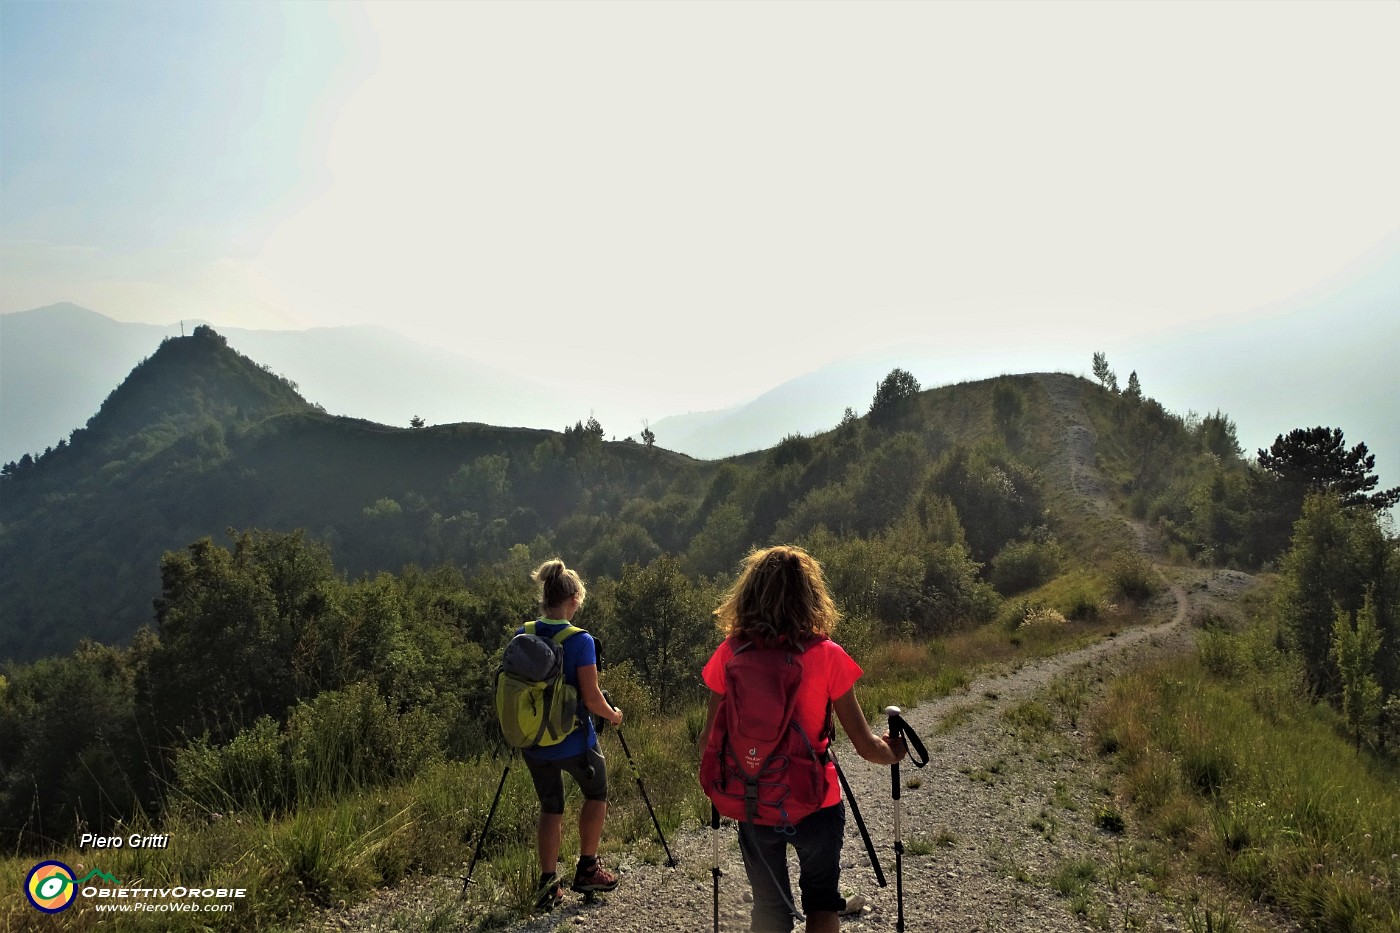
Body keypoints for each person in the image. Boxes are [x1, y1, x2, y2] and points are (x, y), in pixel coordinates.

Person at [699, 545, 907, 933]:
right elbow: (864, 746)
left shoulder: (728, 653)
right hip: (816, 802)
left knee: (769, 909)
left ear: (748, 595)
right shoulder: (827, 655)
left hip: (752, 800)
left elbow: (709, 742)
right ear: (810, 597)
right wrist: (893, 753)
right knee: (822, 903)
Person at [520, 558, 624, 911]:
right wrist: (613, 715)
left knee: (551, 805)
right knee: (597, 793)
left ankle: (548, 884)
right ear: (573, 601)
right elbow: (592, 699)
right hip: (574, 741)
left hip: (533, 742)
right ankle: (588, 869)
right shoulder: (580, 641)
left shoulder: (525, 633)